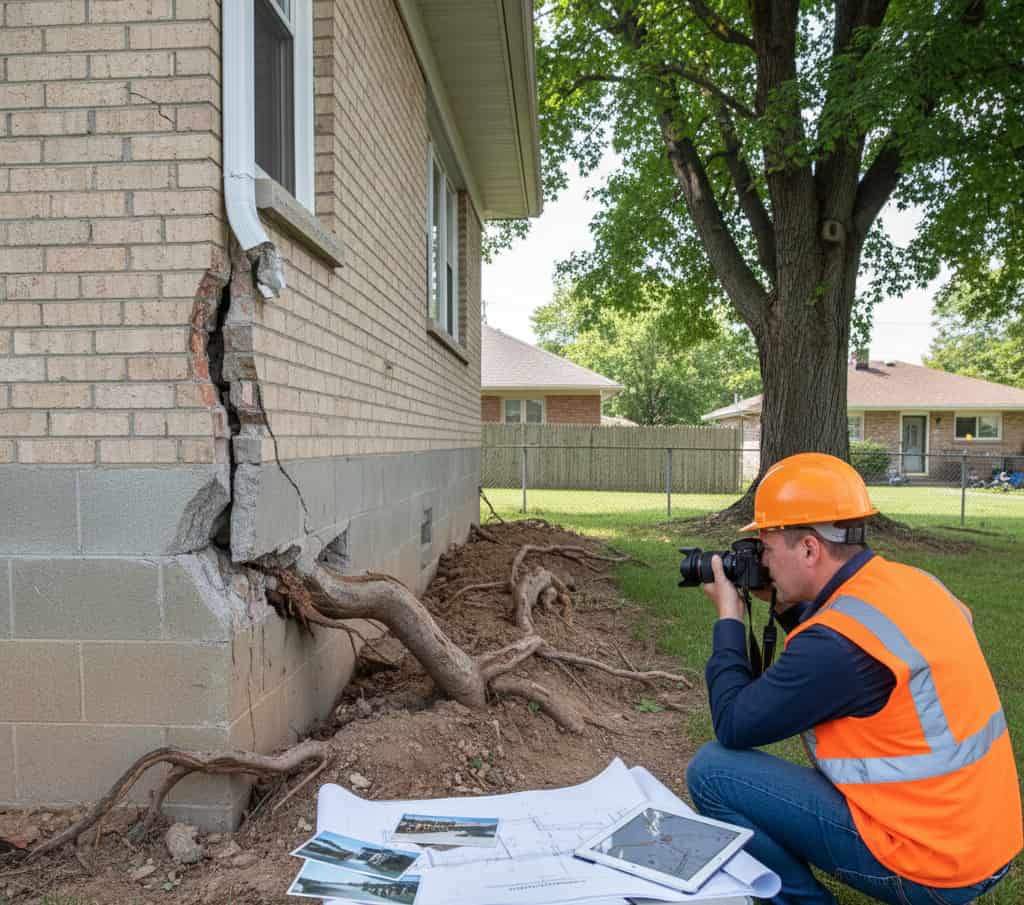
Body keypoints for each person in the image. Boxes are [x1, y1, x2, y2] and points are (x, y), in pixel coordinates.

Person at [687, 452, 1021, 905]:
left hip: (934, 867)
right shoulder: (914, 583)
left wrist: (729, 617)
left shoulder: (837, 644)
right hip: (983, 840)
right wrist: (785, 604)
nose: (763, 563)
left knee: (712, 771)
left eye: (767, 550)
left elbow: (734, 723)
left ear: (809, 549)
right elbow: (845, 658)